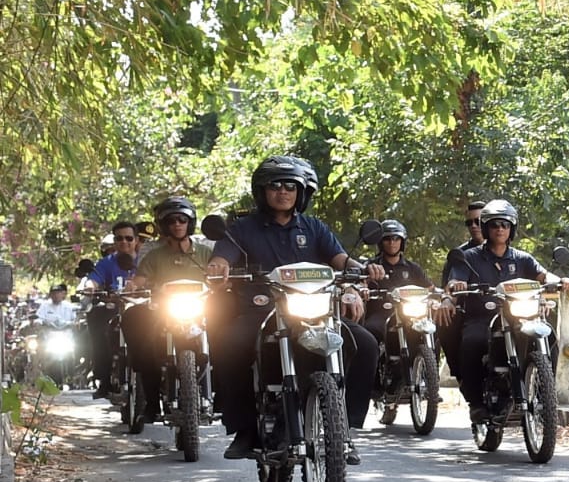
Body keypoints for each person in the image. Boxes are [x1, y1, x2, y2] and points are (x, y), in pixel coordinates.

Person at [205, 155, 383, 463]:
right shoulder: (242, 228)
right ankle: (244, 428)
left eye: (291, 185)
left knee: (365, 344)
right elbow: (222, 259)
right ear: (261, 191)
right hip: (262, 311)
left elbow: (341, 260)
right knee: (229, 344)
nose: (283, 191)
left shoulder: (314, 228)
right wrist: (218, 268)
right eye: (275, 185)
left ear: (302, 192)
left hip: (314, 311)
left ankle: (345, 429)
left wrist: (363, 268)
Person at [444, 199, 569, 424]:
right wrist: (457, 285)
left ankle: (544, 392)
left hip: (518, 317)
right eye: (494, 225)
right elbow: (455, 277)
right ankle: (476, 403)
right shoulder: (469, 257)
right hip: (482, 317)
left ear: (511, 228)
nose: (500, 229)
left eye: (505, 224)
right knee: (472, 342)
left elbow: (543, 275)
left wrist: (561, 281)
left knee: (548, 335)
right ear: (486, 228)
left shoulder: (522, 258)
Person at [120, 196, 214, 421]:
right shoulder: (153, 256)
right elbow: (140, 280)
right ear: (164, 226)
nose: (177, 224)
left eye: (182, 219)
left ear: (190, 222)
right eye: (171, 221)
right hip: (163, 312)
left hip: (204, 312)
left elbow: (220, 278)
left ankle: (227, 398)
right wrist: (132, 287)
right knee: (133, 318)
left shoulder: (205, 252)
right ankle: (151, 401)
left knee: (233, 336)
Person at [362, 219, 442, 424]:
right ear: (381, 243)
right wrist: (362, 289)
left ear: (402, 242)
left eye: (396, 239)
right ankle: (376, 384)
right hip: (381, 314)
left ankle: (430, 381)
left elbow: (430, 289)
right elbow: (359, 286)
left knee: (432, 331)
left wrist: (438, 298)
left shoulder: (413, 269)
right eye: (387, 239)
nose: (391, 243)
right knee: (370, 333)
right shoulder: (371, 267)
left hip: (409, 314)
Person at [80, 220, 141, 398]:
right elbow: (93, 279)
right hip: (113, 307)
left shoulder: (145, 262)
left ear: (136, 240)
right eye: (119, 238)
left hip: (141, 309)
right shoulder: (106, 263)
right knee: (97, 319)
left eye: (129, 238)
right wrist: (91, 287)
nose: (124, 242)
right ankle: (104, 377)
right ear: (115, 241)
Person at [435, 201, 484, 379]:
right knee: (443, 319)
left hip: (503, 308)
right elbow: (448, 285)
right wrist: (448, 298)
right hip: (467, 309)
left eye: (478, 221)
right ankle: (460, 372)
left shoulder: (510, 252)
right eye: (469, 222)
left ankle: (543, 390)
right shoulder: (459, 254)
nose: (473, 226)